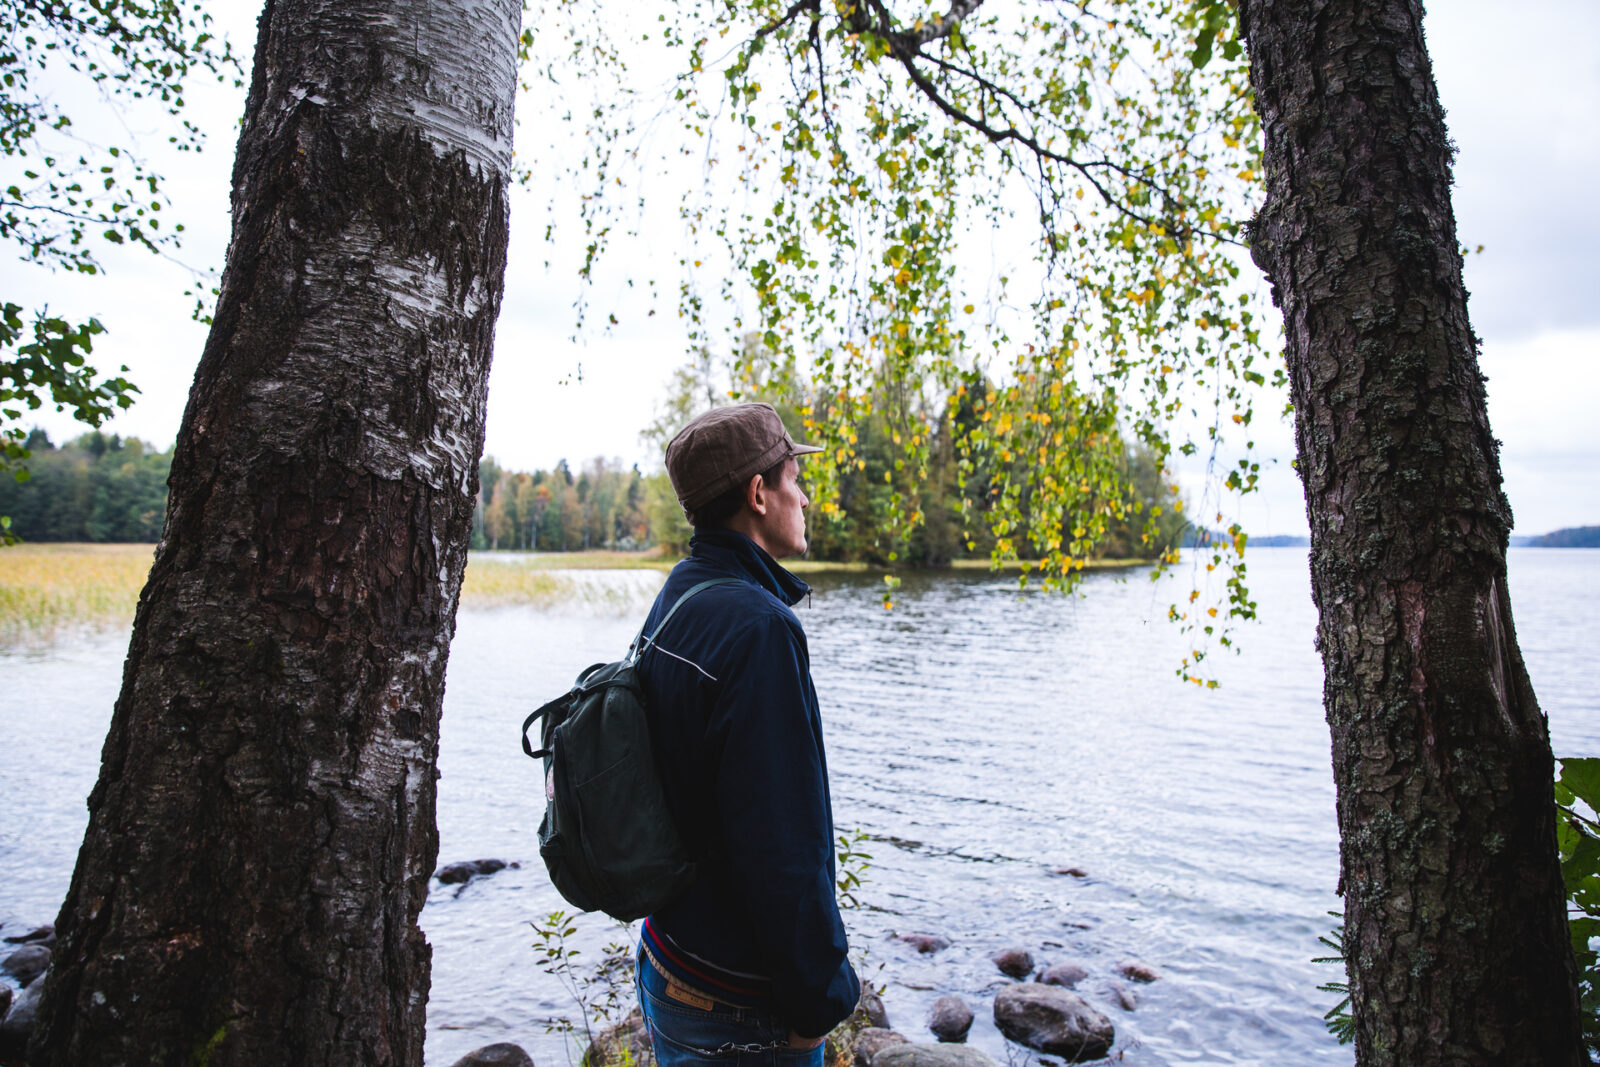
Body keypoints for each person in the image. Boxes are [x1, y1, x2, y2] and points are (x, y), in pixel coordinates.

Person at [632, 402, 861, 1067]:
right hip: (735, 1000)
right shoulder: (759, 628)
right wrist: (816, 1003)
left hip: (669, 958)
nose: (806, 496)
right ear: (759, 493)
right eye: (795, 478)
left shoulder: (681, 594)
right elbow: (786, 844)